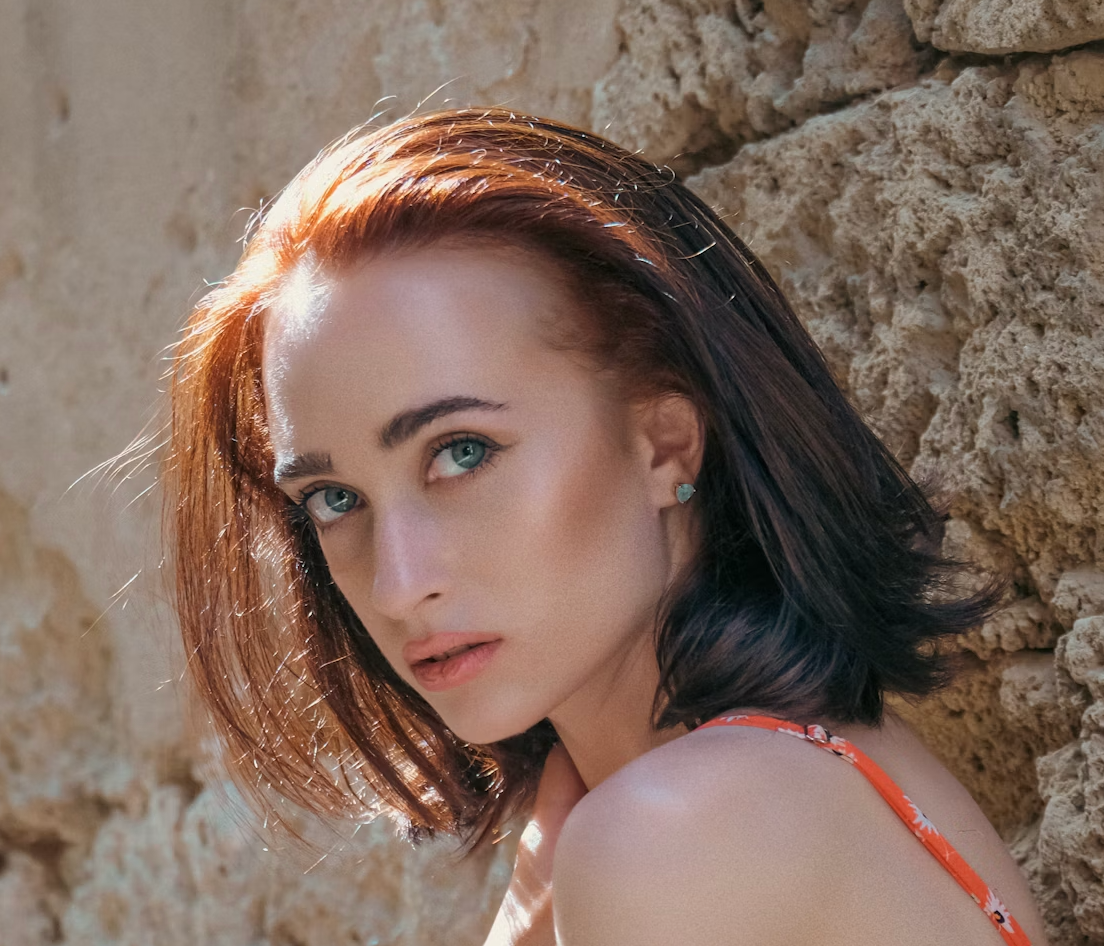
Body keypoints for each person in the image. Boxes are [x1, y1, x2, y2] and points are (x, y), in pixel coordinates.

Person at [155, 107, 1049, 945]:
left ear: (664, 446)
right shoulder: (807, 772)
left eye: (462, 452)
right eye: (335, 500)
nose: (398, 584)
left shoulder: (675, 832)